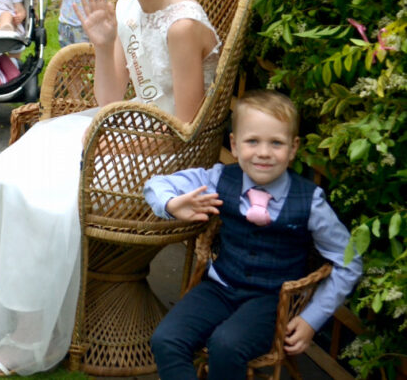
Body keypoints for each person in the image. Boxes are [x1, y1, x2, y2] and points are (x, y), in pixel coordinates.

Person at [0, 0, 222, 376]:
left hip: (167, 151)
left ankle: (27, 340)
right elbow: (110, 98)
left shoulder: (182, 25)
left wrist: (122, 145)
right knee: (7, 173)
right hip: (122, 127)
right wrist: (105, 42)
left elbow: (185, 128)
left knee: (47, 202)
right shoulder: (129, 5)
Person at [145, 90, 363, 380]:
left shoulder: (310, 201)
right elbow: (156, 184)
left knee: (226, 345)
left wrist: (312, 319)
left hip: (271, 300)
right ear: (234, 145)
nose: (263, 152)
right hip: (220, 287)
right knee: (165, 340)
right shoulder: (220, 178)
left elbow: (349, 261)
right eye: (252, 141)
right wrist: (172, 204)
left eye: (276, 143)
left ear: (293, 148)